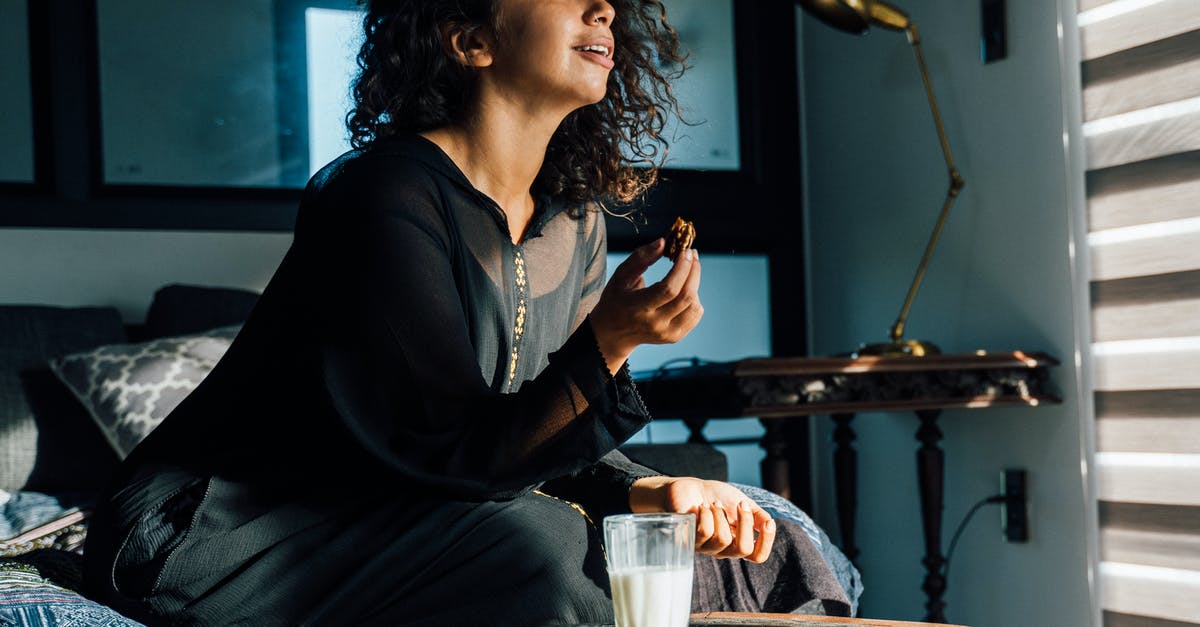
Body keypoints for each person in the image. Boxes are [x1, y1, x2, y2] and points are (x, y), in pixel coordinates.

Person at [82, 0, 851, 624]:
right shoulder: (380, 197)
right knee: (544, 545)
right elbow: (451, 448)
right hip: (224, 532)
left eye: (610, 3)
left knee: (756, 530)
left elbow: (527, 429)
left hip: (417, 498)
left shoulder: (574, 223)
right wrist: (609, 341)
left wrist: (645, 490)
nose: (604, 9)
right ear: (472, 38)